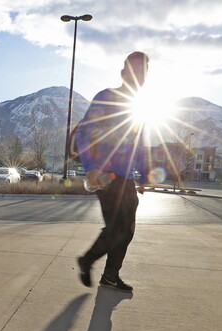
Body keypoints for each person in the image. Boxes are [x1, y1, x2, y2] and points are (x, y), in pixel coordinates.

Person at [76, 51, 150, 292]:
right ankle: (88, 260)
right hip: (106, 176)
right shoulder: (106, 97)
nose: (139, 75)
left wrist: (144, 174)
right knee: (118, 229)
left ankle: (110, 276)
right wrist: (91, 166)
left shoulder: (139, 107)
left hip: (126, 178)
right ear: (123, 72)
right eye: (135, 69)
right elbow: (84, 133)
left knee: (126, 231)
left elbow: (138, 145)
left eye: (143, 71)